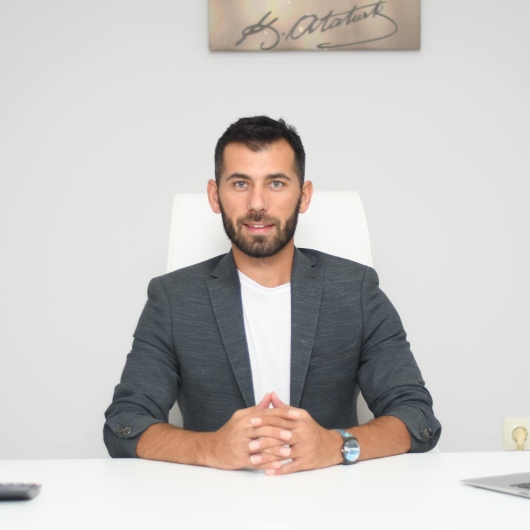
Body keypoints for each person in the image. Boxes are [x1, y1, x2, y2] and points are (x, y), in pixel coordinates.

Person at [104, 116, 441, 475]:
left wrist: (336, 445)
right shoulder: (173, 299)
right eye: (240, 183)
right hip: (212, 498)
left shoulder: (355, 291)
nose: (257, 203)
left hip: (332, 497)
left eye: (276, 183)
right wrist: (209, 448)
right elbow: (124, 423)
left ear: (304, 195)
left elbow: (417, 417)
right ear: (215, 196)